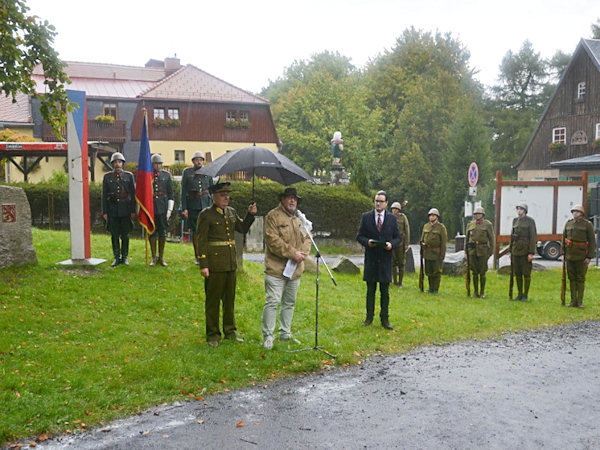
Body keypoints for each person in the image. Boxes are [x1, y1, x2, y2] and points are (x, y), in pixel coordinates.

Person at [197, 182, 257, 347]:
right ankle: (213, 335)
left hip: (230, 263)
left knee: (229, 300)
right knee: (213, 301)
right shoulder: (206, 215)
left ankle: (230, 331)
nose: (226, 197)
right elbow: (201, 241)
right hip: (215, 264)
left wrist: (250, 215)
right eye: (222, 195)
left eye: (227, 194)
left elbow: (242, 228)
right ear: (213, 197)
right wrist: (203, 264)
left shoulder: (231, 212)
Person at [261, 187, 311, 350]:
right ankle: (268, 336)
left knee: (289, 302)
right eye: (289, 198)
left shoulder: (299, 219)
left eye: (295, 199)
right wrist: (292, 253)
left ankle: (285, 333)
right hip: (276, 269)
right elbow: (272, 241)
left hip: (295, 270)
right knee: (273, 301)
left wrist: (303, 253)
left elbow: (307, 238)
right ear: (282, 199)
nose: (292, 201)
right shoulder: (272, 216)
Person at [356, 190, 401, 330]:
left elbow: (398, 238)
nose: (378, 203)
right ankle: (369, 317)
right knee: (370, 291)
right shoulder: (366, 217)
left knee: (385, 292)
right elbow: (359, 235)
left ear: (386, 203)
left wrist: (391, 245)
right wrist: (367, 242)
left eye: (381, 201)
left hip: (385, 260)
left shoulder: (392, 219)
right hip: (371, 259)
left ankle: (385, 319)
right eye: (376, 201)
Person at [102, 152, 136, 267]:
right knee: (114, 235)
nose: (117, 164)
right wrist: (105, 212)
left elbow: (133, 194)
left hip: (125, 209)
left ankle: (124, 257)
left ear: (123, 163)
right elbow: (104, 196)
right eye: (115, 162)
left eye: (119, 162)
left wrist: (133, 210)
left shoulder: (129, 176)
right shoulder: (107, 177)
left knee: (125, 235)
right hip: (112, 210)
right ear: (112, 164)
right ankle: (116, 257)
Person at [181, 151, 213, 264]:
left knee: (207, 231)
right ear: (193, 161)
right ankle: (197, 255)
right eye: (196, 160)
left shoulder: (208, 172)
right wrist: (184, 208)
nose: (199, 162)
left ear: (203, 161)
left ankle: (207, 254)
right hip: (193, 205)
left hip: (206, 204)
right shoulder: (187, 172)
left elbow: (211, 190)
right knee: (195, 231)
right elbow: (183, 191)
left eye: (200, 160)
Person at [561, 204, 596, 308]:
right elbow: (564, 239)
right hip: (570, 255)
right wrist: (563, 253)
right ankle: (573, 301)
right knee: (571, 278)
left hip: (582, 256)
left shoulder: (587, 224)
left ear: (581, 213)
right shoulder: (568, 223)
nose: (574, 213)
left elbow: (592, 241)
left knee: (580, 279)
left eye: (576, 211)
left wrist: (589, 256)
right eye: (573, 211)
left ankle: (580, 301)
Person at [148, 154, 174, 266]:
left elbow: (171, 194)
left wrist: (169, 209)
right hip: (151, 207)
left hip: (163, 207)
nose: (157, 165)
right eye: (155, 163)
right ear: (152, 164)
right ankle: (153, 257)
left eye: (159, 163)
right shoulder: (148, 175)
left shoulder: (166, 175)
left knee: (162, 233)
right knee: (152, 232)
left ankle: (161, 257)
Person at [509, 203, 537, 301]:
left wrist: (531, 252)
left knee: (526, 273)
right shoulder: (515, 221)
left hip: (525, 249)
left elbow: (533, 237)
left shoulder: (530, 221)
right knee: (518, 273)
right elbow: (512, 236)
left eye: (521, 209)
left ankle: (525, 295)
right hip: (516, 249)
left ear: (525, 211)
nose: (519, 211)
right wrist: (510, 250)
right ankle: (519, 294)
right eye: (518, 209)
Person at [466, 206, 495, 298]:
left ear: (482, 215)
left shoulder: (487, 225)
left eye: (479, 214)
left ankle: (482, 292)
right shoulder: (470, 225)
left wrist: (490, 252)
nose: (477, 216)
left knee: (482, 272)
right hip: (472, 251)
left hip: (483, 251)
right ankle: (475, 291)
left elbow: (492, 239)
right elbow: (466, 240)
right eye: (476, 214)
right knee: (474, 272)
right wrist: (466, 252)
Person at [420, 208, 447, 293]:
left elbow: (443, 242)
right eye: (430, 216)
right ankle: (430, 288)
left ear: (437, 217)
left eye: (433, 215)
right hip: (427, 252)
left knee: (436, 271)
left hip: (436, 253)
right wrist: (422, 244)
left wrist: (442, 255)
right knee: (428, 271)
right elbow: (422, 238)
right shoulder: (426, 226)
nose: (431, 217)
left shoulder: (441, 227)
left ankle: (435, 289)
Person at [390, 201, 410, 287]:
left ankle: (400, 282)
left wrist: (406, 243)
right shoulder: (389, 217)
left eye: (395, 209)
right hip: (391, 242)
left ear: (398, 210)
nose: (394, 210)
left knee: (401, 263)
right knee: (393, 263)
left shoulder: (403, 217)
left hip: (401, 242)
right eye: (393, 209)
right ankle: (394, 281)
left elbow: (407, 230)